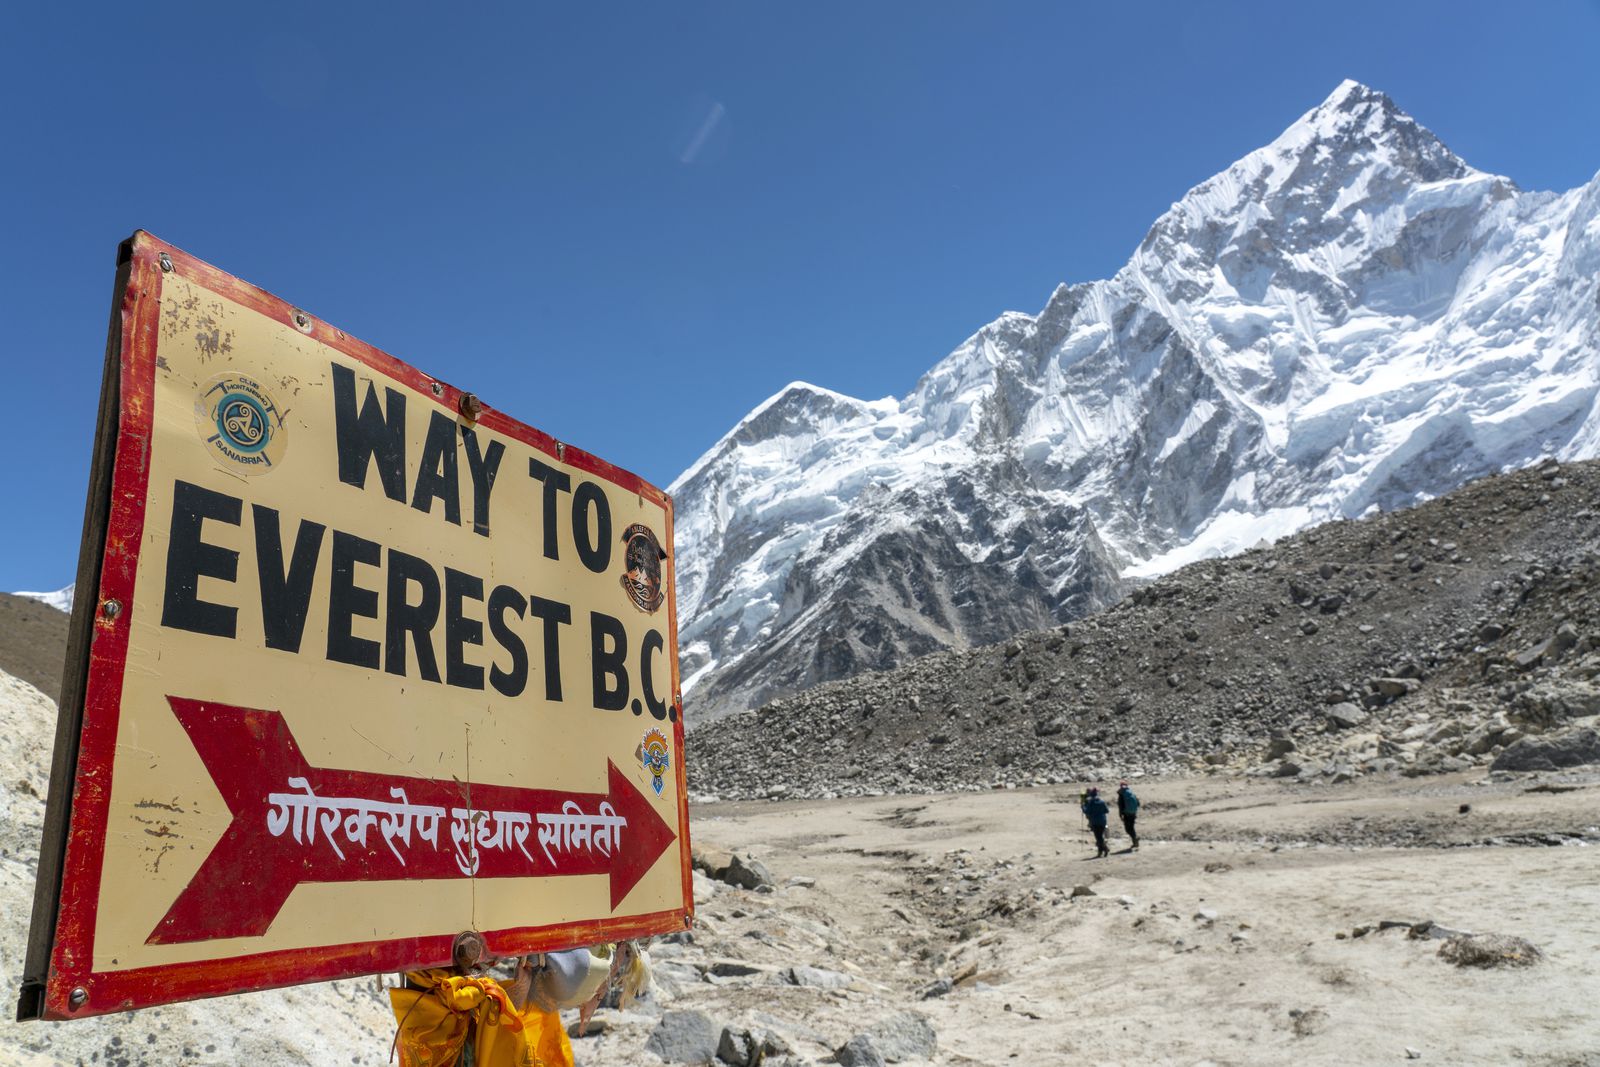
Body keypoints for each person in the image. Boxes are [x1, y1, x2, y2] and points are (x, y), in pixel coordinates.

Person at [1081, 786, 1110, 858]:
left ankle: (1105, 849)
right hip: (1103, 821)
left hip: (1094, 822)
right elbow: (1107, 811)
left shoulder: (1090, 803)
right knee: (1100, 837)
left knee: (1098, 837)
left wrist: (1083, 807)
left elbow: (1086, 811)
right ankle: (1100, 851)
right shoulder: (1102, 802)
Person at [1116, 780, 1141, 850]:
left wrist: (1120, 814)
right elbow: (1138, 803)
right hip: (1133, 813)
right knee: (1132, 827)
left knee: (1127, 829)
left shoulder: (1122, 794)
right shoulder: (1131, 793)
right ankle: (1135, 841)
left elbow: (1120, 806)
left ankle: (1135, 838)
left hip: (1126, 814)